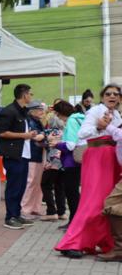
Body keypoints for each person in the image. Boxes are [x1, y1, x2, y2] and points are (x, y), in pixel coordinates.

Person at [56, 84, 122, 257]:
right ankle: (72, 242)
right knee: (92, 201)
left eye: (116, 94)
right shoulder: (95, 111)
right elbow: (82, 134)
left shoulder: (116, 115)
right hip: (97, 157)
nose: (112, 96)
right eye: (108, 93)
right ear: (102, 97)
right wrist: (99, 127)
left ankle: (106, 242)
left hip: (112, 159)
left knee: (107, 202)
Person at [0, 84, 40, 230]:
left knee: (21, 186)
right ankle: (10, 217)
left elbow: (25, 130)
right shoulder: (9, 111)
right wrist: (24, 135)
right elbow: (2, 132)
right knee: (14, 186)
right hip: (13, 154)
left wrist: (31, 134)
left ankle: (17, 214)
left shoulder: (23, 112)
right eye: (30, 94)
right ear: (24, 95)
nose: (31, 97)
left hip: (25, 153)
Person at [55, 100, 85, 228]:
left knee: (71, 193)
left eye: (57, 114)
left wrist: (56, 144)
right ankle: (74, 221)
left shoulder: (72, 121)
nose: (57, 117)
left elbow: (70, 145)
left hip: (71, 162)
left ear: (61, 113)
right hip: (78, 161)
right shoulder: (80, 118)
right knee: (73, 193)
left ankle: (74, 222)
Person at [20, 101, 48, 220]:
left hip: (38, 153)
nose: (42, 112)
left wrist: (43, 136)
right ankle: (25, 209)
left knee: (38, 182)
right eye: (39, 109)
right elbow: (34, 136)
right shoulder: (29, 121)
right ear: (32, 111)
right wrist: (43, 136)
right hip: (31, 154)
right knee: (31, 182)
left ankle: (35, 207)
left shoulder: (37, 121)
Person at [40, 103, 67, 222]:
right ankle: (62, 212)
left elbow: (39, 142)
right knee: (59, 187)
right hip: (63, 163)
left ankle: (51, 211)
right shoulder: (65, 132)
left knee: (45, 185)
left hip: (52, 162)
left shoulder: (48, 132)